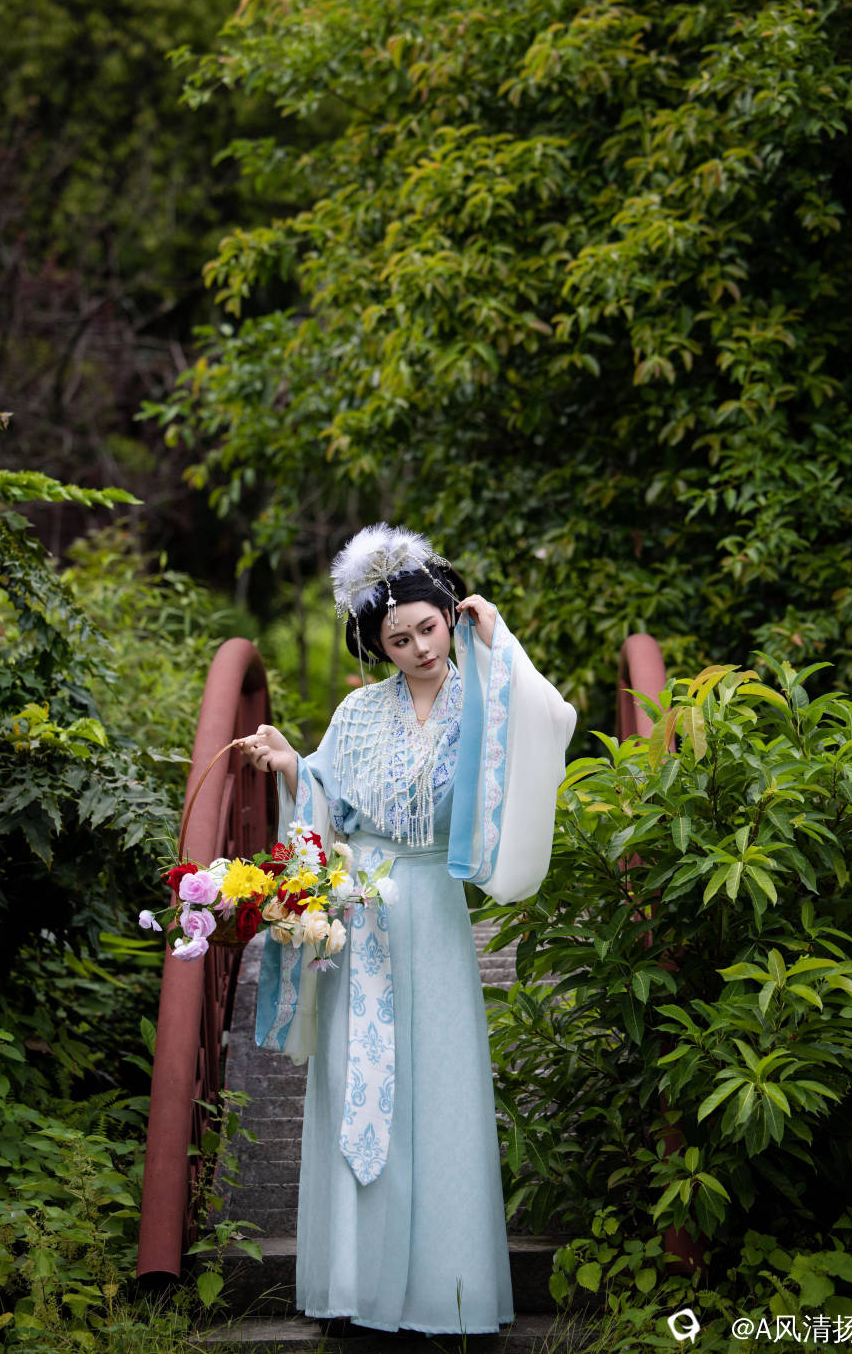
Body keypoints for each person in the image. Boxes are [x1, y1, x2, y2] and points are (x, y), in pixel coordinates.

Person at [236, 524, 576, 1335]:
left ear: (450, 614)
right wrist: (291, 766)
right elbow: (326, 795)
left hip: (435, 913)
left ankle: (444, 1291)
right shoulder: (358, 712)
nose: (421, 647)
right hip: (361, 918)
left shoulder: (488, 692)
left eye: (430, 626)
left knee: (441, 1087)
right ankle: (357, 1286)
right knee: (360, 1080)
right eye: (400, 639)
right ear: (379, 647)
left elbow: (551, 720)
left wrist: (499, 640)